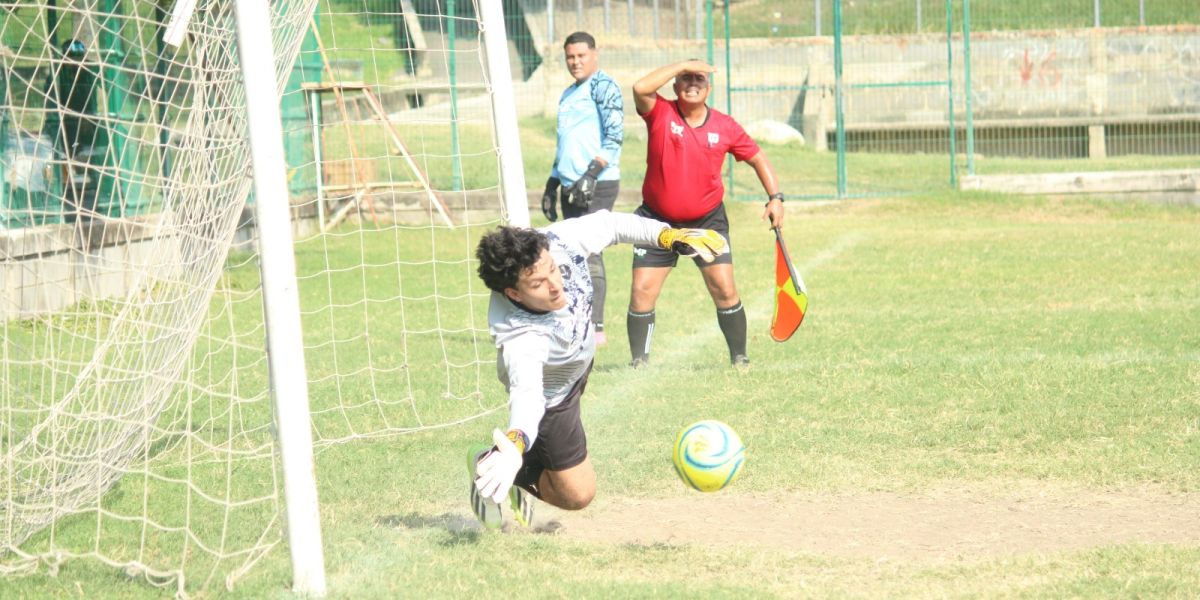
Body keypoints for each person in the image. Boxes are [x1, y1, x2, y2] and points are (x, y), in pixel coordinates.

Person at [469, 210, 728, 529]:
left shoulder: (557, 241)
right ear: (513, 293)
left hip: (578, 364)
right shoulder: (520, 339)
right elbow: (528, 396)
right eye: (538, 283)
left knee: (563, 470)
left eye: (553, 269)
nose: (555, 285)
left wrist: (667, 236)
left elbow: (612, 224)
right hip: (553, 396)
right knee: (578, 494)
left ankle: (514, 460)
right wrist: (515, 444)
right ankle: (492, 462)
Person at [626, 60, 785, 368]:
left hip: (707, 221)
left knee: (725, 289)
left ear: (708, 88)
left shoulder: (725, 126)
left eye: (699, 79)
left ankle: (740, 358)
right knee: (642, 290)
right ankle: (638, 362)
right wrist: (682, 65)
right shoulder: (660, 111)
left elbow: (757, 158)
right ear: (674, 85)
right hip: (655, 220)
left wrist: (775, 198)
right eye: (685, 79)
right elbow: (639, 88)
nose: (692, 83)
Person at [540, 31, 624, 346]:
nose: (575, 62)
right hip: (569, 184)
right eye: (570, 57)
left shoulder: (604, 86)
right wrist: (552, 181)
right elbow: (565, 143)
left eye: (581, 56)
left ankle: (596, 327)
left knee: (589, 251)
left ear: (594, 54)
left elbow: (615, 136)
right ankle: (575, 319)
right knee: (567, 252)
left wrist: (591, 173)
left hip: (597, 184)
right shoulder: (567, 94)